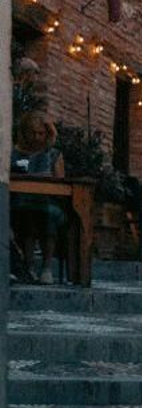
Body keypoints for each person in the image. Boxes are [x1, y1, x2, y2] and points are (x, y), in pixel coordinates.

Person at [10, 110, 67, 284]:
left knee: (47, 213)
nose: (36, 137)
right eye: (32, 133)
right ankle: (28, 266)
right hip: (21, 200)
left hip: (48, 201)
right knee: (25, 213)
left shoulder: (54, 154)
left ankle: (47, 268)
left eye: (41, 133)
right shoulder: (13, 153)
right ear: (24, 133)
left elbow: (61, 183)